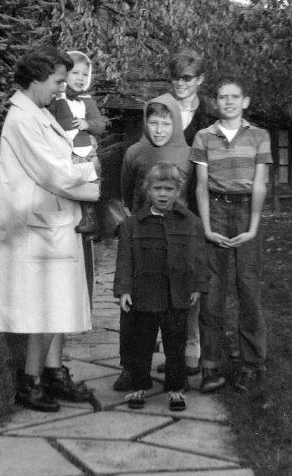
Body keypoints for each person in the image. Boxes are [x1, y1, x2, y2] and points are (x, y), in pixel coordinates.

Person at [0, 46, 100, 412]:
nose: (61, 88)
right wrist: (93, 171)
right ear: (36, 78)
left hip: (50, 223)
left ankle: (49, 376)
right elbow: (56, 172)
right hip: (38, 227)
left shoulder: (35, 112)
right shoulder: (22, 119)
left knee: (57, 305)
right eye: (56, 81)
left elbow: (62, 159)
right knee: (46, 307)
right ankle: (30, 382)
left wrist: (78, 164)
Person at [190, 74, 273, 393]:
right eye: (222, 97)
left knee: (248, 289)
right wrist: (208, 228)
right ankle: (210, 366)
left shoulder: (259, 136)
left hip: (245, 212)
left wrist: (252, 227)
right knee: (212, 291)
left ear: (245, 101)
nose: (228, 102)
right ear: (215, 102)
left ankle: (251, 364)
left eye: (234, 96)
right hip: (216, 210)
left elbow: (261, 184)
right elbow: (200, 186)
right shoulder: (204, 137)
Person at [113, 94, 193, 392]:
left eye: (166, 122)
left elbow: (191, 195)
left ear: (175, 122)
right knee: (132, 305)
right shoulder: (134, 152)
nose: (159, 129)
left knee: (173, 306)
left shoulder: (187, 153)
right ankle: (129, 367)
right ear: (145, 122)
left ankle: (177, 367)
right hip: (140, 237)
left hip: (174, 239)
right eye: (153, 122)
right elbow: (125, 191)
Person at [114, 162, 208, 412]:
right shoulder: (132, 224)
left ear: (178, 191)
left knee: (175, 344)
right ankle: (138, 385)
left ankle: (176, 388)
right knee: (141, 343)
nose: (163, 194)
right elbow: (124, 259)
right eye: (157, 188)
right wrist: (124, 290)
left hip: (176, 295)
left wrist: (197, 286)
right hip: (143, 296)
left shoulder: (191, 223)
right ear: (148, 190)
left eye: (169, 189)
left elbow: (199, 257)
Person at [162, 49, 217, 377]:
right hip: (164, 199)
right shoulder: (161, 108)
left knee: (191, 274)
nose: (180, 84)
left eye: (186, 78)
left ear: (199, 80)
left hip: (196, 202)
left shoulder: (209, 115)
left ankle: (192, 343)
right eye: (175, 78)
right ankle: (169, 344)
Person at [49, 51, 108, 237]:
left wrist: (88, 124)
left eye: (84, 74)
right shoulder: (55, 99)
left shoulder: (87, 102)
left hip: (86, 151)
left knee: (92, 179)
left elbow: (100, 125)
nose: (80, 78)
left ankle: (91, 218)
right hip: (66, 153)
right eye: (75, 73)